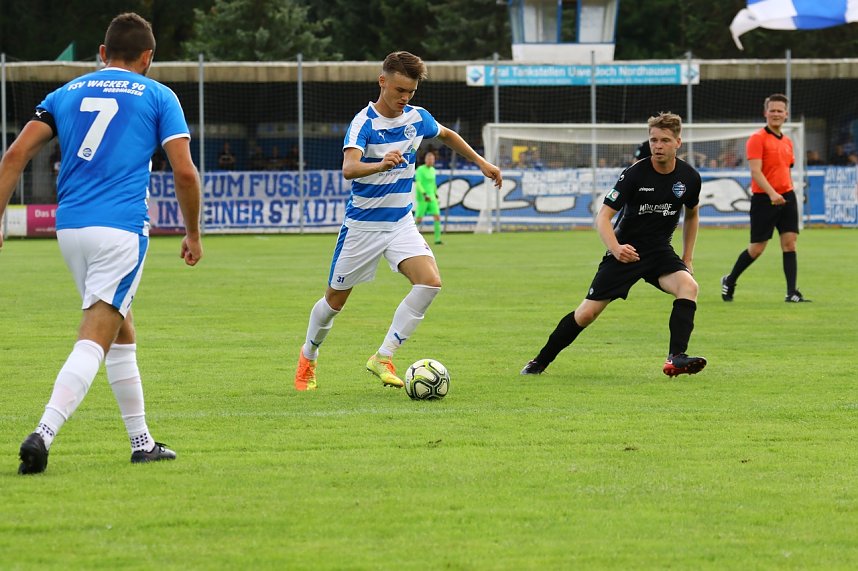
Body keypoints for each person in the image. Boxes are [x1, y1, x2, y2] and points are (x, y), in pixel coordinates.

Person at [0, 12, 203, 474]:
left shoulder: (64, 94)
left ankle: (142, 441)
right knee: (96, 333)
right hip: (121, 230)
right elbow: (185, 172)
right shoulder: (158, 94)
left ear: (102, 53)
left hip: (69, 228)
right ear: (148, 57)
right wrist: (192, 233)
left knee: (121, 329)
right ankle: (43, 433)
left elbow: (14, 155)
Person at [293, 50, 502, 391]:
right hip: (362, 226)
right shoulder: (364, 123)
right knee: (334, 303)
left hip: (401, 223)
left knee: (430, 283)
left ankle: (383, 356)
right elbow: (349, 168)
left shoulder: (417, 118)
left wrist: (482, 162)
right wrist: (379, 165)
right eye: (399, 90)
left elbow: (446, 134)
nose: (404, 98)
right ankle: (308, 357)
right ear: (382, 82)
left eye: (411, 92)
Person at [521, 112, 706, 378]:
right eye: (653, 140)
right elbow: (603, 217)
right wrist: (617, 248)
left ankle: (675, 358)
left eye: (665, 140)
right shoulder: (634, 175)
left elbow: (692, 214)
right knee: (587, 314)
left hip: (660, 252)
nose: (657, 146)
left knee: (689, 286)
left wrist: (687, 258)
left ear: (678, 142)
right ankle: (540, 361)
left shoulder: (689, 177)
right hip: (625, 253)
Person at [721, 94, 810, 303]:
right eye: (773, 110)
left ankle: (791, 293)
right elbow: (756, 172)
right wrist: (772, 193)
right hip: (764, 199)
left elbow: (784, 170)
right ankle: (730, 280)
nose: (776, 114)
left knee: (790, 244)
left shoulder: (787, 142)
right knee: (757, 248)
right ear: (765, 113)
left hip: (786, 197)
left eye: (780, 110)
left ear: (786, 114)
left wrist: (785, 192)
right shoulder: (757, 139)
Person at [414, 151, 443, 245]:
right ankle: (412, 238)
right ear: (425, 160)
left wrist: (435, 193)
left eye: (432, 159)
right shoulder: (420, 170)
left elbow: (433, 183)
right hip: (423, 198)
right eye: (429, 159)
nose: (431, 161)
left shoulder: (433, 170)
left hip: (432, 197)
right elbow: (418, 183)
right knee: (418, 219)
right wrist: (424, 194)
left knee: (437, 217)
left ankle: (437, 239)